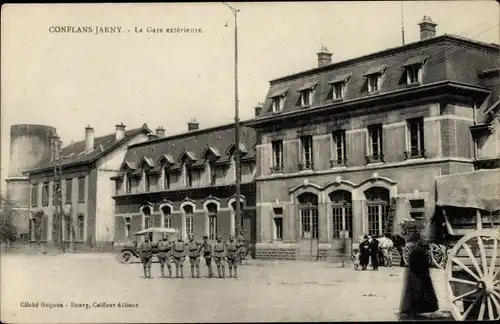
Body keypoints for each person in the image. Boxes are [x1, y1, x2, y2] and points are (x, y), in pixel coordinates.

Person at [399, 233, 439, 319]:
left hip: (415, 274)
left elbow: (411, 263)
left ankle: (414, 310)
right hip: (419, 274)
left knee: (414, 293)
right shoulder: (419, 250)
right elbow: (423, 263)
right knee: (419, 292)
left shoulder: (415, 250)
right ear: (417, 241)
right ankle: (416, 310)